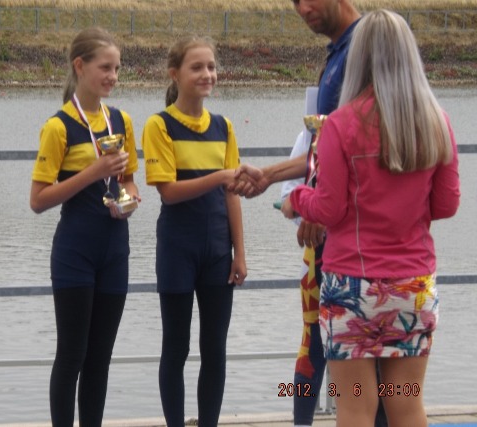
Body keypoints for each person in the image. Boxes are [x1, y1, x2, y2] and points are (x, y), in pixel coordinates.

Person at [281, 9, 460, 427]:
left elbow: (329, 209)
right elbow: (447, 205)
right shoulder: (437, 121)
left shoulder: (341, 125)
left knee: (355, 406)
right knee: (407, 404)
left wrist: (297, 199)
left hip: (352, 288)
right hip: (412, 287)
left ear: (359, 57)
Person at [230, 1, 380, 426]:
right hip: (336, 241)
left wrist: (322, 203)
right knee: (316, 344)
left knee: (370, 373)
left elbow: (368, 148)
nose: (303, 8)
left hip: (360, 245)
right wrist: (270, 175)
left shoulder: (365, 47)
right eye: (295, 1)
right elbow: (323, 150)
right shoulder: (337, 54)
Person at [29, 27, 140, 427]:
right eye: (105, 68)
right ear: (80, 66)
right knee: (72, 355)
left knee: (100, 358)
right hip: (75, 251)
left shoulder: (121, 120)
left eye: (117, 68)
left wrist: (128, 201)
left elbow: (129, 181)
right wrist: (93, 172)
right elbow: (38, 200)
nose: (113, 76)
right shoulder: (58, 127)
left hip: (115, 249)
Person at [141, 35, 246, 427]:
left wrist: (240, 252)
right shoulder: (160, 125)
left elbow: (232, 194)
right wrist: (219, 176)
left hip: (218, 249)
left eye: (211, 67)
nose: (207, 74)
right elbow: (168, 192)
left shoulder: (223, 126)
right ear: (175, 74)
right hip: (178, 249)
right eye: (197, 67)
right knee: (176, 348)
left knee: (215, 349)